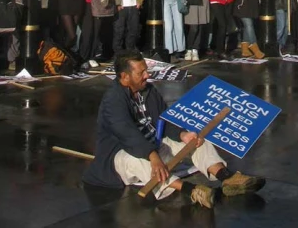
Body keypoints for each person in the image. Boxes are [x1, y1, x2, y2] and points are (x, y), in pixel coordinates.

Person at [82, 50, 265, 207]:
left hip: (152, 145)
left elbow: (165, 119)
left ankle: (227, 178)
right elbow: (127, 134)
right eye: (141, 72)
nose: (147, 75)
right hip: (121, 155)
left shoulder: (148, 91)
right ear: (124, 77)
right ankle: (192, 191)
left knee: (197, 142)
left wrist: (182, 134)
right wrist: (153, 157)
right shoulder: (113, 100)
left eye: (146, 70)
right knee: (140, 160)